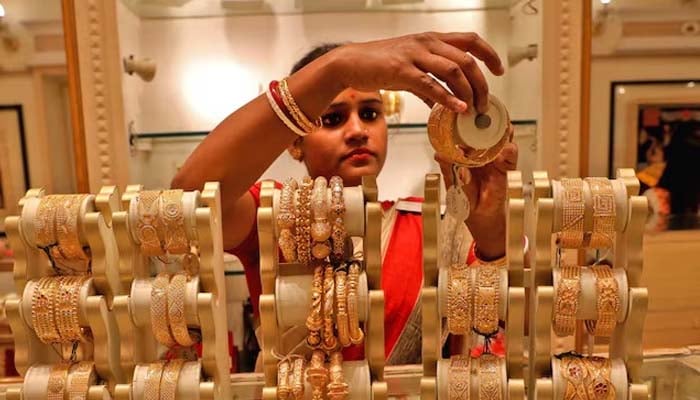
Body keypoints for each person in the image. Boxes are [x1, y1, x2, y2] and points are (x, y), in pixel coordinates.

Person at [172, 32, 518, 365]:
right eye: (333, 118)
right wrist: (337, 67)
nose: (357, 131)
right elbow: (187, 204)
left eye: (370, 114)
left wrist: (491, 233)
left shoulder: (431, 224)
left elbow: (520, 318)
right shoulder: (276, 219)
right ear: (293, 142)